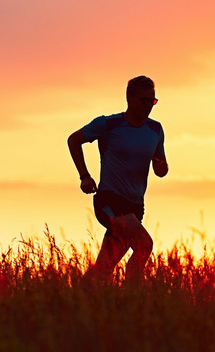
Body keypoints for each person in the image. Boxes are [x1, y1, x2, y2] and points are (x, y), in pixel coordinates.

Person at [67, 75, 168, 284]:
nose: (150, 106)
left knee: (102, 270)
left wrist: (161, 167)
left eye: (153, 101)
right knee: (144, 244)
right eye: (144, 100)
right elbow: (74, 140)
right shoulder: (108, 124)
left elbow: (161, 168)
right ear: (130, 99)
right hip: (110, 200)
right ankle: (132, 297)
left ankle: (73, 301)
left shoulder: (155, 130)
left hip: (136, 207)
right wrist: (84, 176)